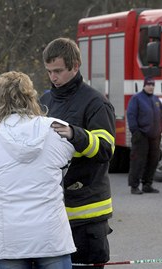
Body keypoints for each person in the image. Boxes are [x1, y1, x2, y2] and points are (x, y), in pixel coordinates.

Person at [0, 71, 76, 269]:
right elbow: (68, 159)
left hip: (8, 239)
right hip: (51, 236)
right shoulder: (55, 128)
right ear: (31, 97)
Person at [39, 37, 116, 269]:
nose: (53, 77)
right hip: (52, 211)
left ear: (75, 66)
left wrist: (75, 134)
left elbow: (105, 149)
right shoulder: (44, 101)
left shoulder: (95, 102)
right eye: (49, 71)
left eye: (58, 71)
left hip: (87, 213)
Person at [126, 76, 162, 194]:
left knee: (153, 160)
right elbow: (131, 115)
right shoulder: (136, 98)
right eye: (149, 84)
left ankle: (147, 184)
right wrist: (135, 131)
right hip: (141, 135)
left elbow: (161, 116)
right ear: (144, 85)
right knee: (138, 161)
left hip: (155, 136)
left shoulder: (156, 100)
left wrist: (160, 130)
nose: (151, 87)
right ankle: (134, 186)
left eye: (153, 85)